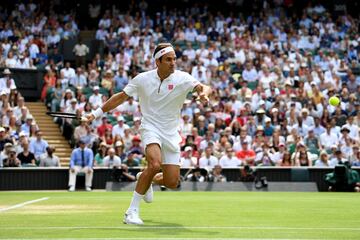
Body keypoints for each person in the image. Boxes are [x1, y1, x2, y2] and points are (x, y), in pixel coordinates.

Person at [87, 43, 211, 225]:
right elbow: (120, 97)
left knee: (172, 182)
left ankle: (146, 179)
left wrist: (204, 95)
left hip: (171, 133)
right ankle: (131, 212)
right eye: (168, 59)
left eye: (174, 59)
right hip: (150, 127)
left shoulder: (183, 78)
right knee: (154, 164)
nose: (173, 63)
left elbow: (204, 87)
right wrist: (95, 114)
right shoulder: (142, 79)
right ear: (158, 61)